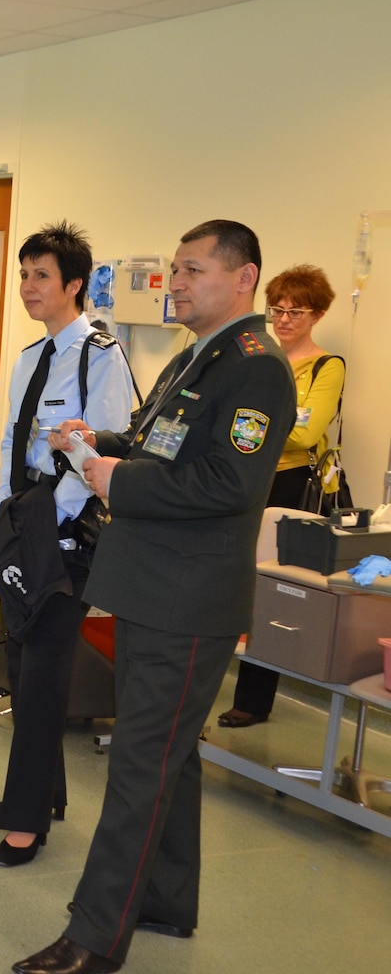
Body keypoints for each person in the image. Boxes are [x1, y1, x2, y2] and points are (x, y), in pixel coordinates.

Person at [18, 220, 295, 974]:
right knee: (169, 756)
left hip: (185, 599)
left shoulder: (255, 367)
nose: (174, 282)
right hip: (149, 586)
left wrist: (117, 481)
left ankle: (94, 938)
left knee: (140, 764)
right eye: (173, 269)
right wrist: (99, 445)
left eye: (192, 270)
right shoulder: (194, 356)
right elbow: (159, 446)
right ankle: (167, 899)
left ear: (243, 279)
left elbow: (228, 483)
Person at [0, 223, 135, 866]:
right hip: (22, 527)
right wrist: (1, 527)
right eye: (23, 275)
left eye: (41, 276)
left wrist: (52, 523)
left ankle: (26, 821)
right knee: (22, 664)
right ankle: (42, 793)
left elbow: (109, 447)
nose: (27, 287)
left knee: (43, 675)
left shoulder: (100, 355)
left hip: (66, 533)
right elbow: (13, 452)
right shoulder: (27, 357)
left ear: (75, 284)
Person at [218, 264, 341, 728]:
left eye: (297, 311)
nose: (285, 320)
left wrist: (253, 427)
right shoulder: (256, 356)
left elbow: (307, 433)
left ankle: (253, 698)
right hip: (242, 477)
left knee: (267, 592)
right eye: (278, 310)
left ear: (318, 314)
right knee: (231, 579)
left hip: (288, 487)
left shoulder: (327, 366)